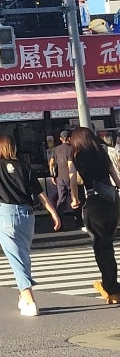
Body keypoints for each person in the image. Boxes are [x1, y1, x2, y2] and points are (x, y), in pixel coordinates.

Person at [0, 133, 61, 316]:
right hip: (27, 215)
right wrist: (53, 212)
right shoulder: (24, 166)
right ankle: (23, 297)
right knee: (23, 254)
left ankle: (30, 300)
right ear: (13, 147)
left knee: (16, 258)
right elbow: (39, 192)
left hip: (6, 214)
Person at [66, 126, 120, 304]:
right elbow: (116, 179)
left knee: (100, 246)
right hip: (111, 201)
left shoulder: (75, 155)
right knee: (108, 244)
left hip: (94, 203)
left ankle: (110, 288)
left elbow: (72, 178)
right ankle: (112, 285)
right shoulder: (102, 152)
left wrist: (74, 198)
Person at [49, 129, 74, 213]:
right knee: (75, 198)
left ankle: (58, 218)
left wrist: (53, 175)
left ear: (60, 138)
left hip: (60, 178)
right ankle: (79, 220)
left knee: (61, 199)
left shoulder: (56, 149)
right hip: (72, 177)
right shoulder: (72, 148)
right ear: (70, 138)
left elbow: (51, 163)